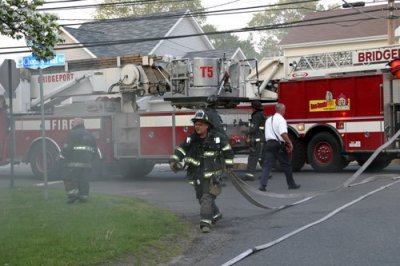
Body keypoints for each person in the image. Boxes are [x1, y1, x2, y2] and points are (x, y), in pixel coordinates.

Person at [169, 110, 234, 233]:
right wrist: (174, 160)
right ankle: (215, 214)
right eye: (196, 124)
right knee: (201, 197)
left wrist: (229, 164)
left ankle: (205, 223)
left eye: (200, 124)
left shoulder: (217, 138)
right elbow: (182, 149)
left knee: (206, 197)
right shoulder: (191, 139)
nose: (197, 127)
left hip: (212, 174)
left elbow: (227, 150)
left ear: (207, 125)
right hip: (197, 173)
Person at [259, 103, 300, 191]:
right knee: (286, 165)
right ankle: (291, 184)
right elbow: (283, 133)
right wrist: (289, 142)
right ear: (282, 110)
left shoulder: (269, 120)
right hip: (278, 145)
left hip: (268, 144)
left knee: (267, 165)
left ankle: (262, 185)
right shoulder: (281, 120)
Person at [61, 117, 98, 203]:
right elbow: (95, 151)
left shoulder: (72, 134)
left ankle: (73, 196)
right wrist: (90, 160)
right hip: (87, 164)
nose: (71, 124)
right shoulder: (90, 135)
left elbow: (67, 148)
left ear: (78, 123)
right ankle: (84, 197)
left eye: (73, 122)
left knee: (69, 178)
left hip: (73, 163)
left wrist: (61, 156)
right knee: (84, 180)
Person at [243, 100, 266, 181]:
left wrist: (246, 131)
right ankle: (267, 173)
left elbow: (254, 128)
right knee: (261, 157)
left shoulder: (256, 116)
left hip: (256, 140)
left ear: (254, 108)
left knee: (253, 157)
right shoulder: (262, 114)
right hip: (262, 139)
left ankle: (250, 175)